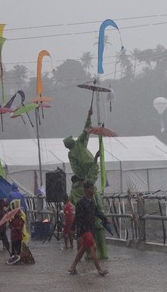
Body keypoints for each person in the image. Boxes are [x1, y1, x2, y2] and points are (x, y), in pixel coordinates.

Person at [63, 108, 109, 260]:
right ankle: (94, 256)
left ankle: (91, 257)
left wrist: (89, 117)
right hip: (88, 218)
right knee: (94, 231)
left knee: (92, 233)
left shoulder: (77, 147)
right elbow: (85, 132)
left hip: (87, 218)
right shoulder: (74, 152)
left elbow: (85, 131)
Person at [68, 181, 109, 276]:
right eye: (91, 189)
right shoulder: (80, 203)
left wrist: (105, 220)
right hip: (84, 229)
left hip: (90, 229)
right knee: (92, 248)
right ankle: (99, 270)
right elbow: (77, 217)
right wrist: (73, 228)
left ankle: (73, 267)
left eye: (93, 188)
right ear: (86, 190)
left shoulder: (91, 202)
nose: (93, 191)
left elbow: (97, 213)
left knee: (83, 249)